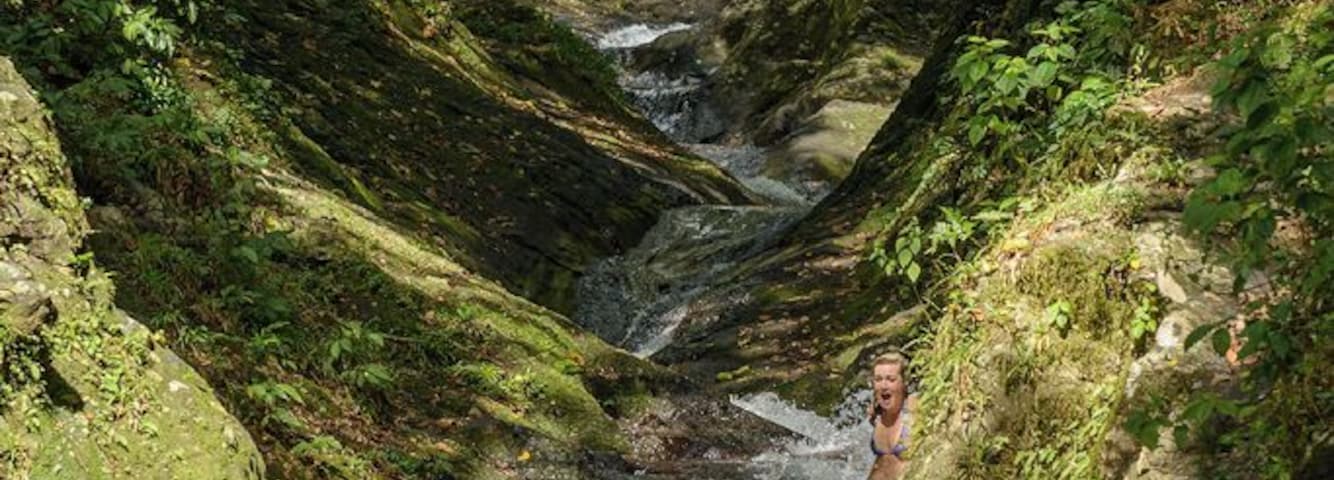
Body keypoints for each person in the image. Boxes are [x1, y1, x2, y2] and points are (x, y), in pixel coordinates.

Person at [866, 349, 915, 480]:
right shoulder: (876, 414)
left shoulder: (914, 406)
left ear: (904, 383)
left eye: (891, 379)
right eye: (878, 379)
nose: (883, 386)